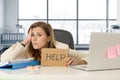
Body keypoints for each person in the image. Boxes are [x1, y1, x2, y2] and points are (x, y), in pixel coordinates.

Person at [1, 22, 87, 66]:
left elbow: (90, 57)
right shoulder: (26, 49)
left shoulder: (61, 48)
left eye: (39, 35)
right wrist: (24, 42)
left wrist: (79, 61)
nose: (34, 39)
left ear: (49, 38)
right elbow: (3, 60)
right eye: (32, 35)